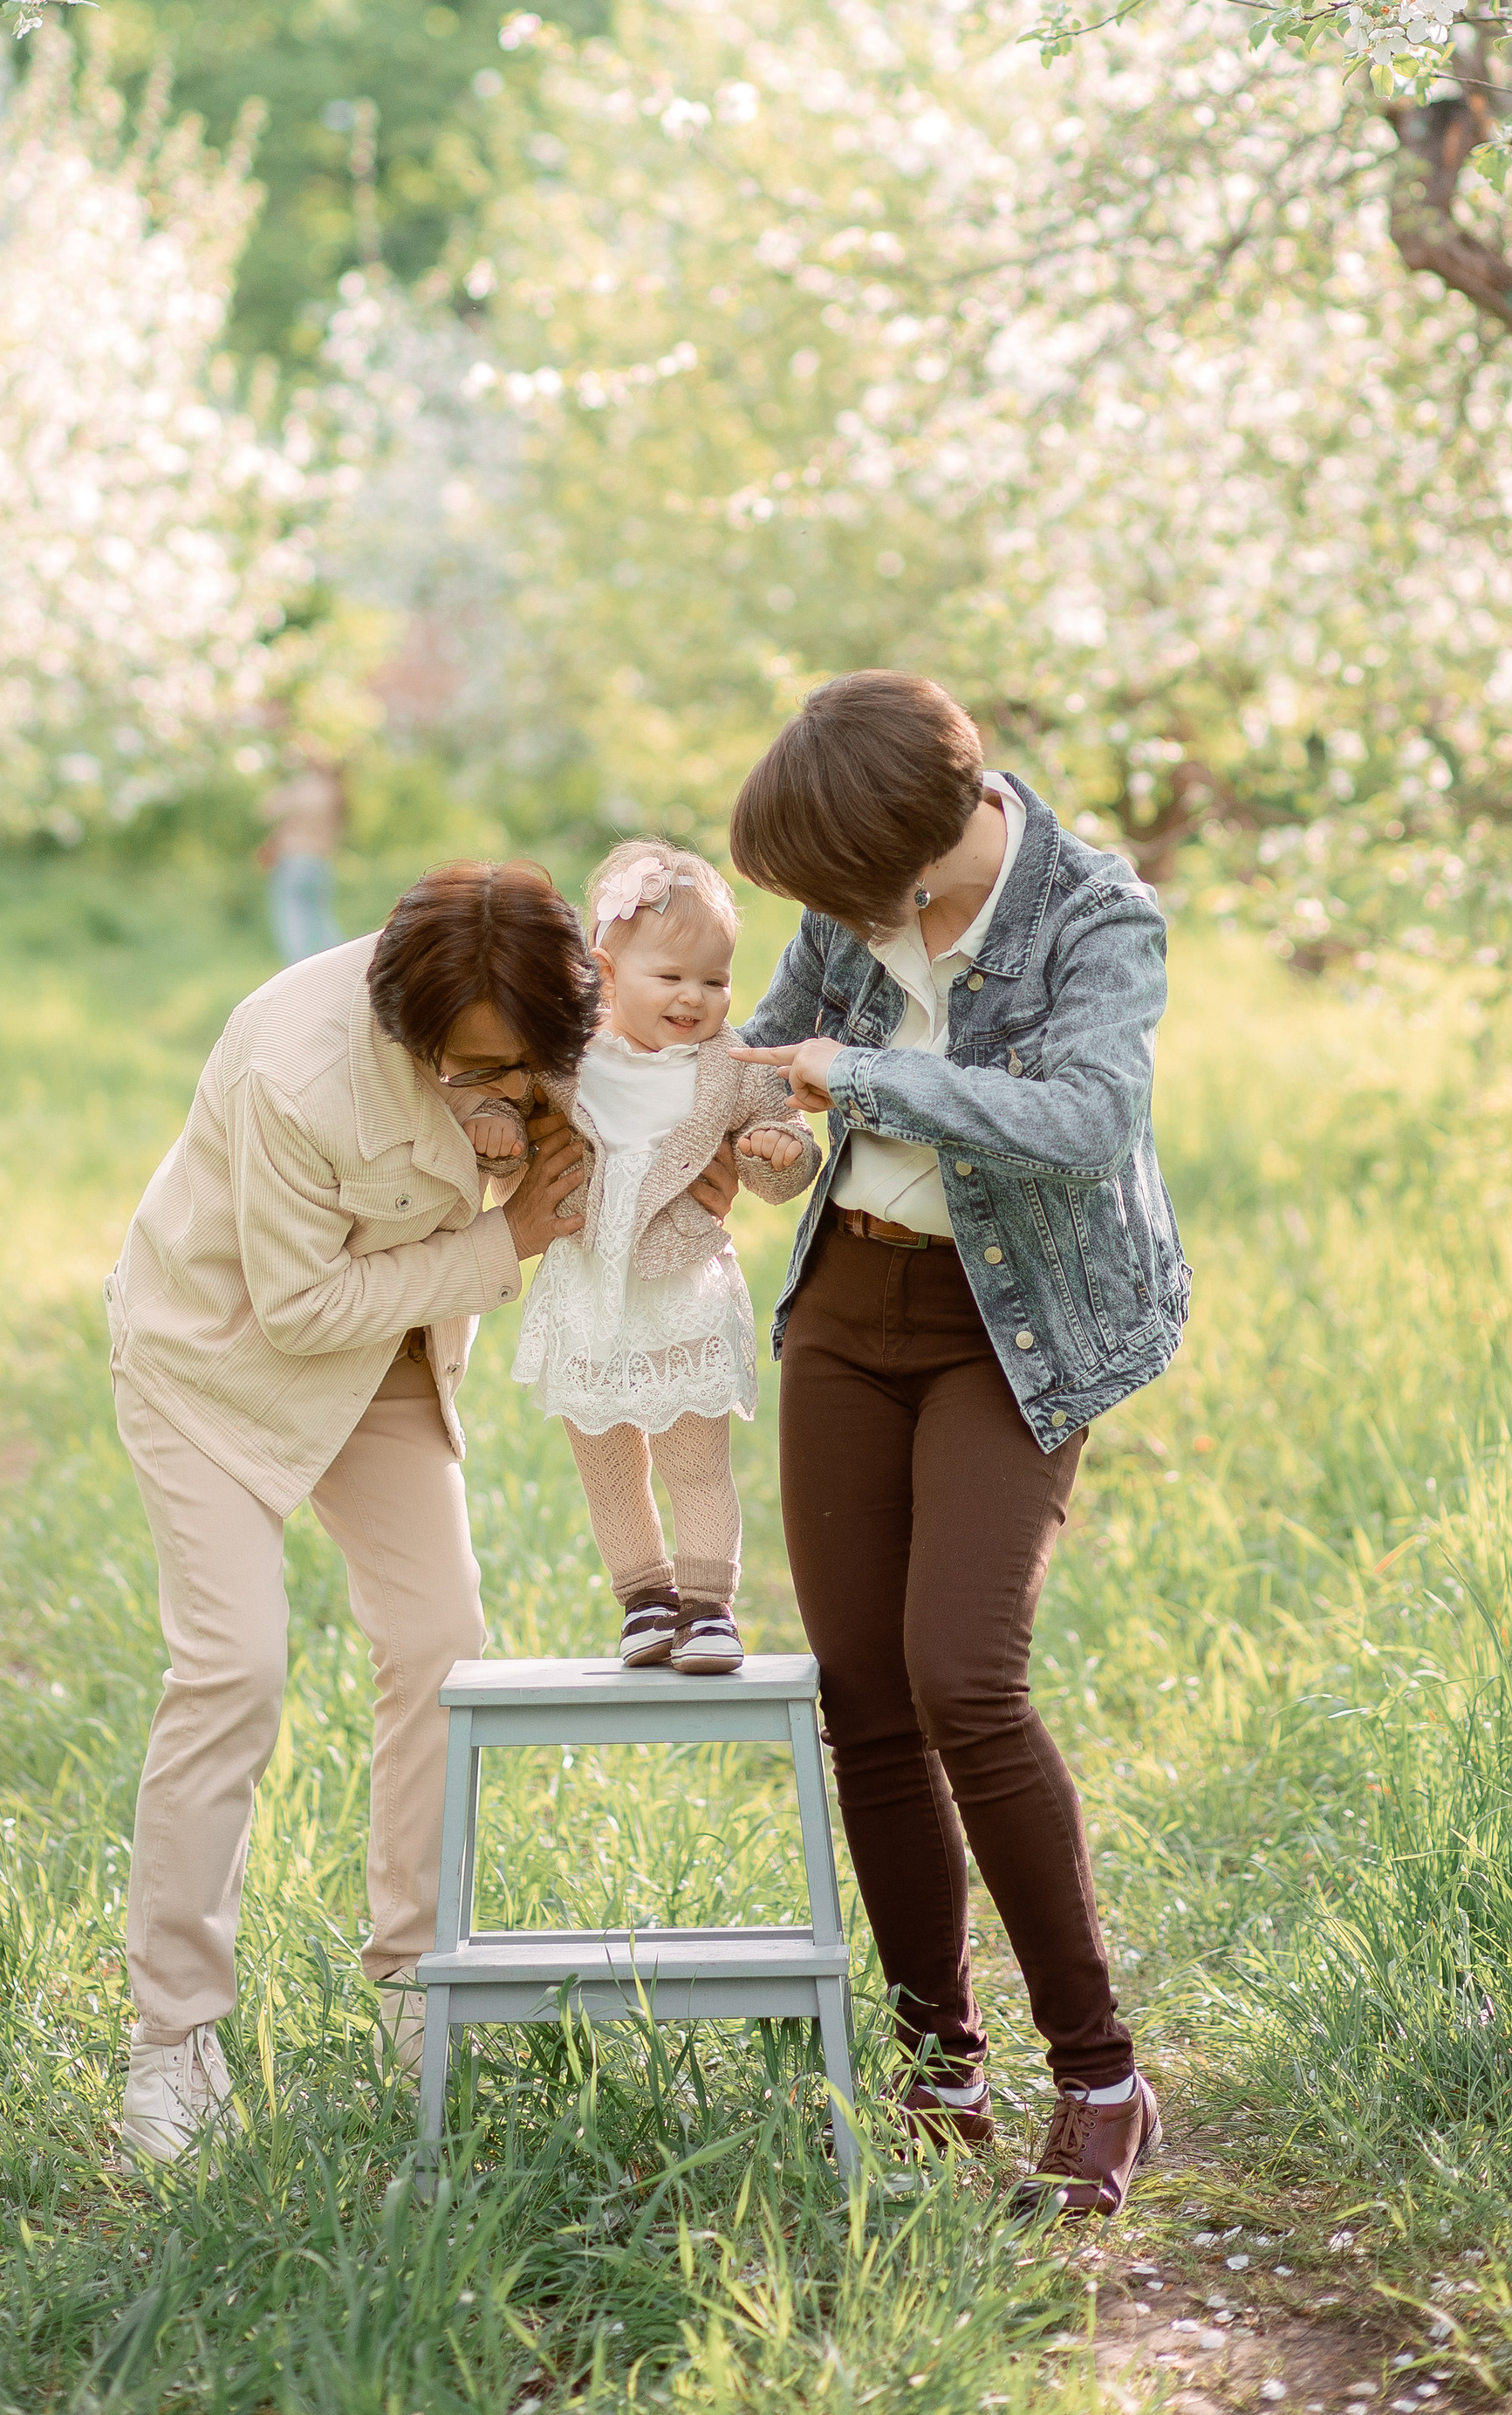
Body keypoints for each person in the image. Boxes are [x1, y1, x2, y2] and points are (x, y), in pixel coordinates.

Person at [730, 671, 1192, 2218]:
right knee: (863, 1698)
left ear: (915, 857)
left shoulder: (1095, 916)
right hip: (850, 1310)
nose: (829, 918)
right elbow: (773, 1066)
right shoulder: (852, 904)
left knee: (965, 1679)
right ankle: (943, 2060)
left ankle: (1102, 2073)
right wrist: (762, 1126)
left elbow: (1086, 1118)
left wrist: (851, 1079)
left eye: (839, 892)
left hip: (1022, 1329)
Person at [102, 860, 598, 2166]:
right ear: (410, 1027)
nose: (497, 1085)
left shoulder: (536, 1005)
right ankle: (174, 2041)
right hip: (219, 1359)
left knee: (447, 1644)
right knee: (234, 1670)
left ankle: (419, 1988)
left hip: (382, 1359)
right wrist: (512, 1240)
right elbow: (299, 1308)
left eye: (519, 1065)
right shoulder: (297, 1069)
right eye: (472, 1068)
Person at [508, 841, 820, 1674]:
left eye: (714, 981)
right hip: (587, 1291)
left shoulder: (729, 1066)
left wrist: (776, 1155)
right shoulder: (565, 1061)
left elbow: (784, 1136)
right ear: (607, 975)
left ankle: (709, 1606)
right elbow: (507, 1112)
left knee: (695, 1461)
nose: (695, 998)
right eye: (672, 977)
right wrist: (495, 1133)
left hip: (680, 1290)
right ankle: (643, 1599)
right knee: (607, 1462)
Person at [263, 756, 346, 962]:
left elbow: (266, 809)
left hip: (294, 860)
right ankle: (342, 962)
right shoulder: (336, 792)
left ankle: (297, 969)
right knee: (321, 917)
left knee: (293, 920)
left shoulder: (304, 788)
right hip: (320, 863)